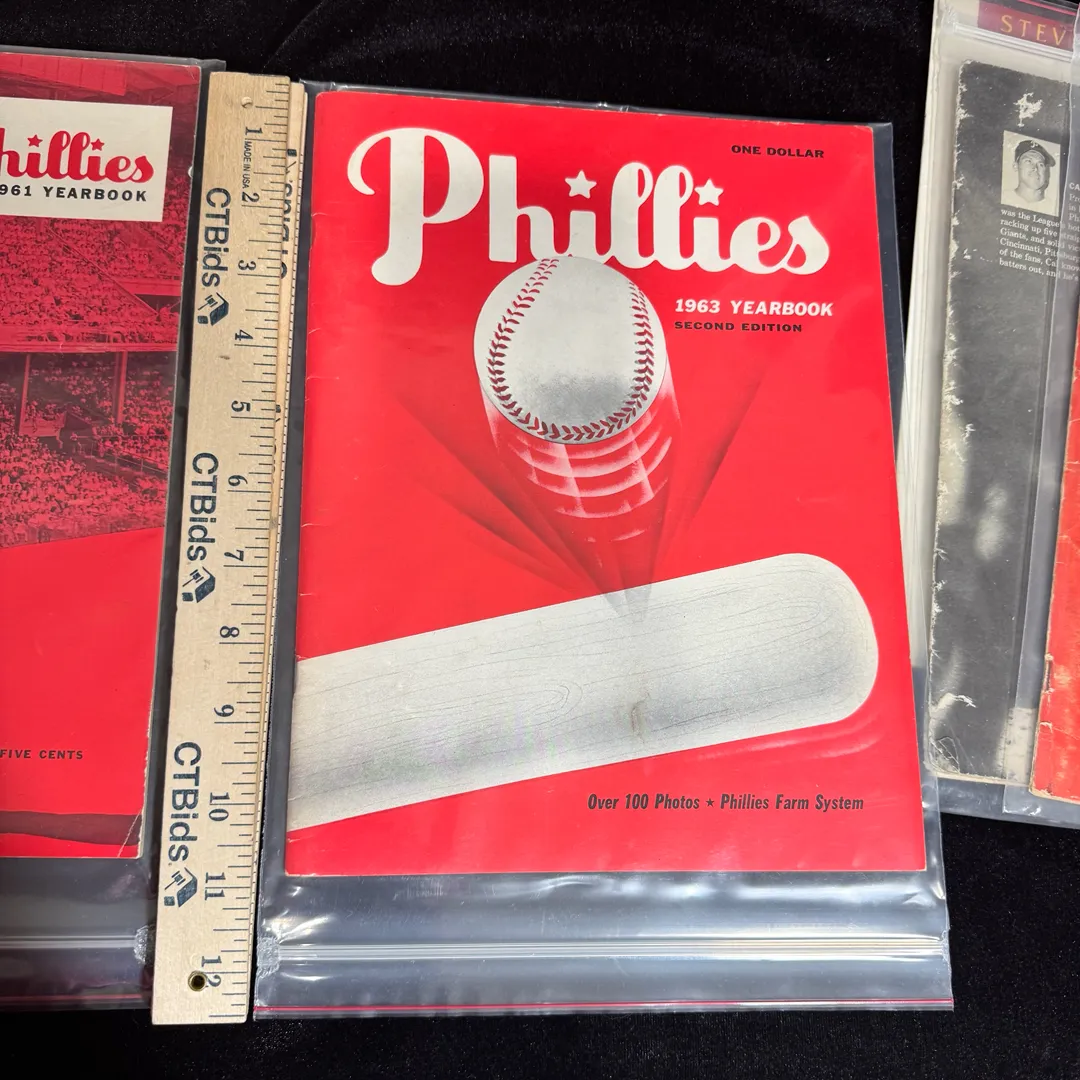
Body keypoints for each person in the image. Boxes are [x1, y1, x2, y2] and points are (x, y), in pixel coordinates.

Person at [1013, 139, 1055, 206]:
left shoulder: (1052, 206)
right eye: (1028, 161)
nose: (1035, 168)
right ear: (1016, 166)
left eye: (1040, 164)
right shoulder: (1004, 198)